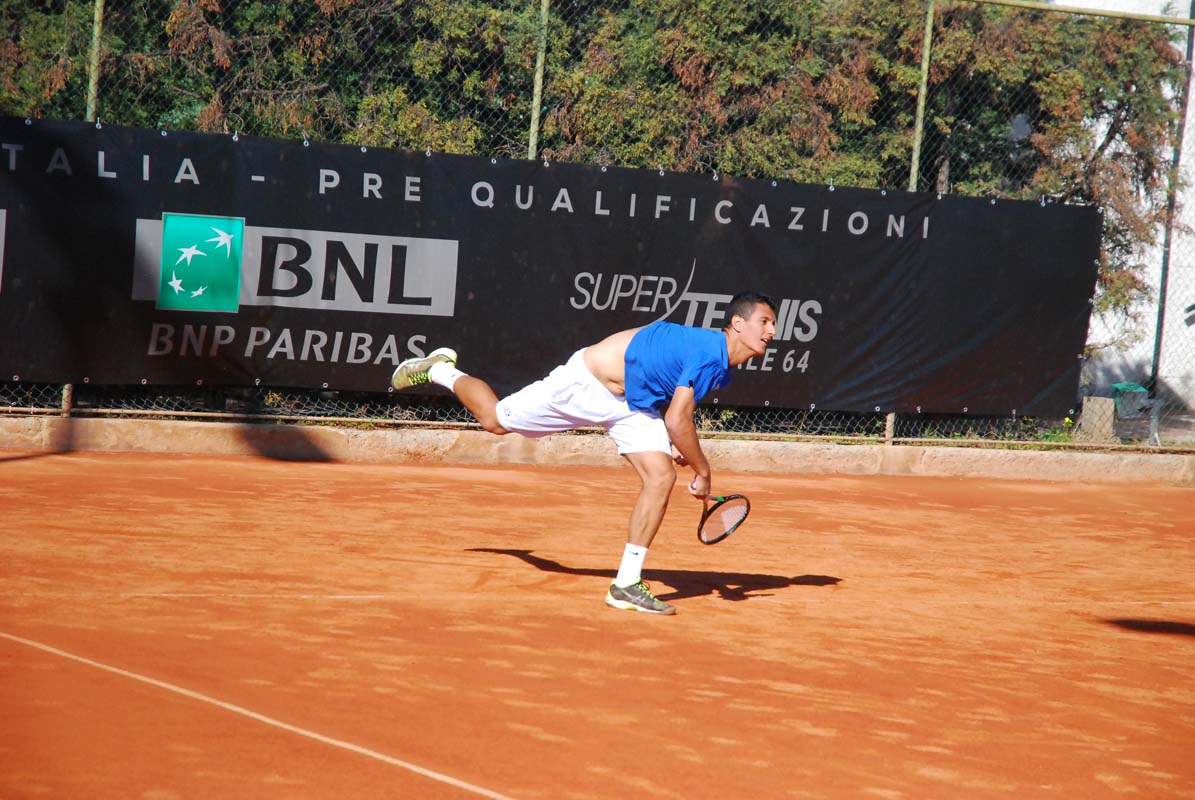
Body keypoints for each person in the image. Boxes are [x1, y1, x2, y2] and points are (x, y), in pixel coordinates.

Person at [389, 291, 778, 615]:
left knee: (660, 476)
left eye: (773, 324)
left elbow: (666, 397)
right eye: (764, 322)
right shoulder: (710, 353)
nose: (772, 331)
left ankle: (626, 584)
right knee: (495, 420)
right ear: (737, 324)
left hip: (632, 403)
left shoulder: (720, 363)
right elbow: (678, 419)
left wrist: (675, 443)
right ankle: (441, 369)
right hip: (587, 384)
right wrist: (702, 470)